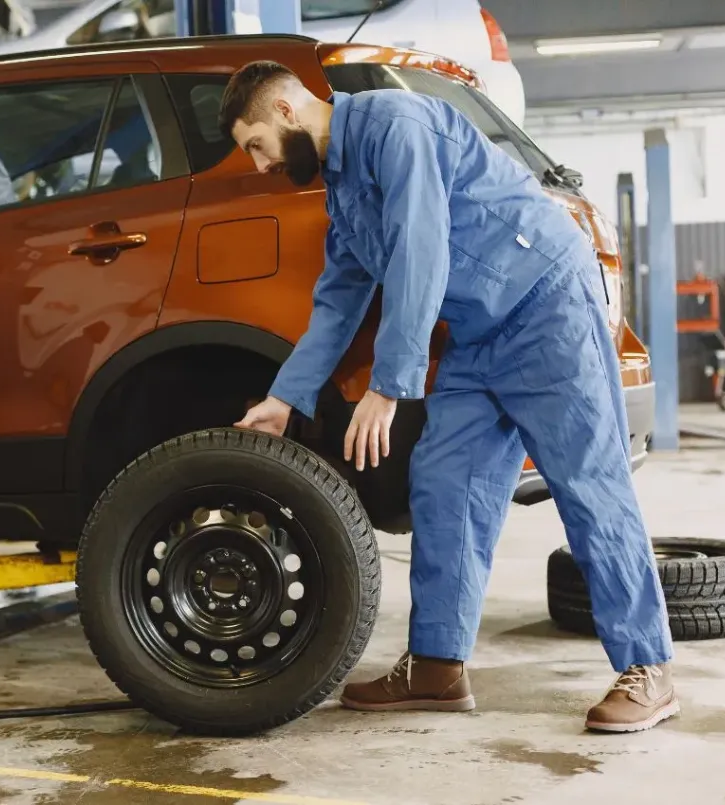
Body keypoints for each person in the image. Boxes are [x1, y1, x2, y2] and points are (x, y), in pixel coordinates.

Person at [218, 60, 678, 733]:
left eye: (254, 143)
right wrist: (285, 397)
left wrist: (389, 385)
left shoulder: (393, 125)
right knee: (444, 482)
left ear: (287, 110)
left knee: (588, 483)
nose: (258, 164)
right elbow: (341, 297)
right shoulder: (343, 188)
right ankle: (437, 666)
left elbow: (421, 250)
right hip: (477, 333)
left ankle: (649, 669)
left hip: (545, 306)